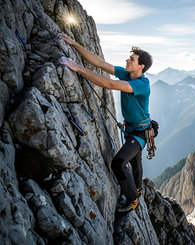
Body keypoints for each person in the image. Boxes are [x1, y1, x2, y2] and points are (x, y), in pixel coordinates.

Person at [58, 33, 152, 212]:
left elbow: (110, 85)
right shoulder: (127, 74)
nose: (127, 60)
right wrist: (75, 44)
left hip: (140, 133)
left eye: (131, 59)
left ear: (141, 66)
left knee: (118, 163)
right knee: (135, 162)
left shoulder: (142, 84)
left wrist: (78, 68)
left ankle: (133, 199)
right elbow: (100, 63)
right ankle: (137, 188)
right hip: (133, 129)